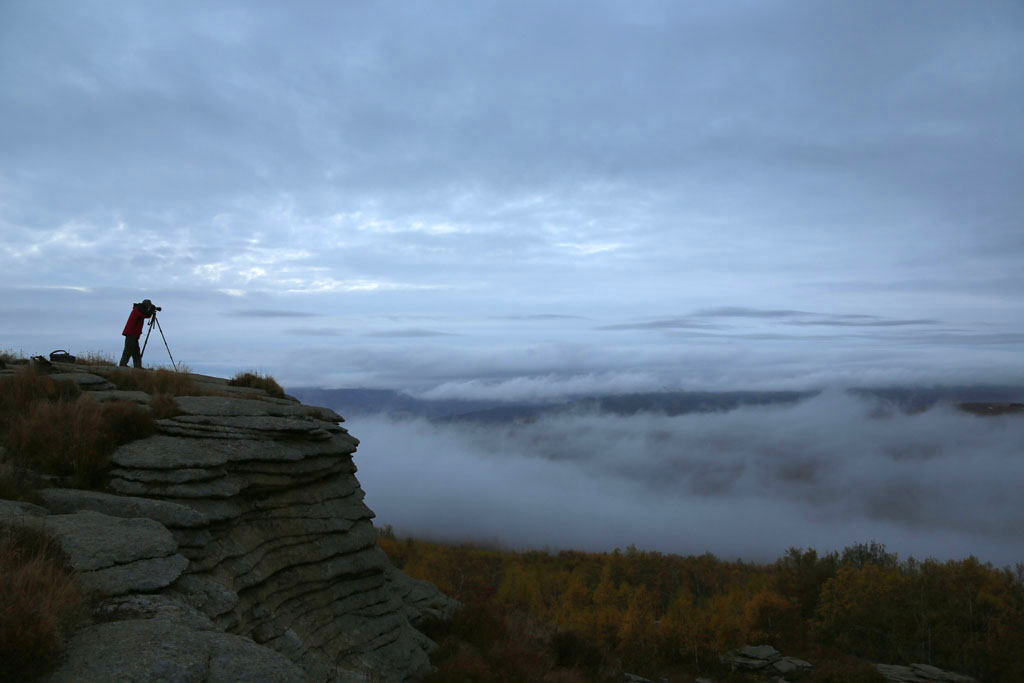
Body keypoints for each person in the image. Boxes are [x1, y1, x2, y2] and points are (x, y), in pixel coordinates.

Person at [120, 299, 161, 368]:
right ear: (146, 305)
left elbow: (147, 315)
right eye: (148, 306)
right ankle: (122, 364)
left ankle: (138, 366)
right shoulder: (138, 309)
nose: (148, 308)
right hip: (131, 333)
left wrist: (152, 309)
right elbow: (146, 314)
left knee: (136, 351)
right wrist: (152, 309)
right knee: (128, 349)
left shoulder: (139, 309)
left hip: (134, 334)